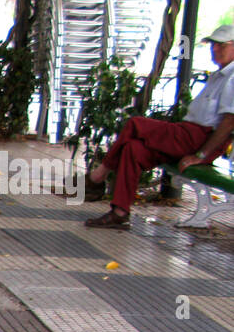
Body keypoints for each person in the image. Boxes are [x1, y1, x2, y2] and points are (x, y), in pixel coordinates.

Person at [84, 24, 234, 229]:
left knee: (135, 124)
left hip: (198, 138)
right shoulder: (220, 75)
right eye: (213, 45)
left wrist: (200, 156)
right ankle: (119, 212)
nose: (215, 50)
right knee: (133, 150)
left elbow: (228, 122)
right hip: (188, 133)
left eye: (221, 46)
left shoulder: (232, 77)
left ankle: (98, 175)